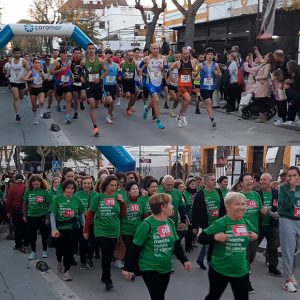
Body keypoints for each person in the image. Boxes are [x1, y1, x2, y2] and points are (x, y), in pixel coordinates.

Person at [122, 193, 192, 300]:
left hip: (166, 267)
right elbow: (134, 247)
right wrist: (127, 268)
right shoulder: (146, 224)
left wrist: (184, 260)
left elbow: (176, 244)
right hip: (149, 267)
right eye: (170, 204)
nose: (173, 206)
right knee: (158, 297)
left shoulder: (170, 222)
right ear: (162, 207)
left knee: (160, 295)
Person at [198, 192, 258, 300]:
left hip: (241, 270)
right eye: (237, 204)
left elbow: (253, 233)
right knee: (213, 296)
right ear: (228, 206)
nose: (241, 207)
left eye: (243, 204)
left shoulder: (246, 222)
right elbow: (201, 238)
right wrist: (214, 237)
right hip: (220, 270)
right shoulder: (221, 223)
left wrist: (255, 236)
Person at [84, 175, 127, 291]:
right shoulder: (98, 197)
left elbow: (122, 214)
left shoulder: (118, 197)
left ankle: (104, 276)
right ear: (105, 185)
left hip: (114, 230)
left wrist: (122, 203)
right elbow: (90, 214)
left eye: (115, 185)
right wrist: (86, 230)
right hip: (101, 230)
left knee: (109, 255)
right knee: (106, 254)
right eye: (111, 185)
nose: (113, 187)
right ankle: (108, 279)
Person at [238, 173, 268, 293]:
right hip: (240, 232)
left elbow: (260, 212)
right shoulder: (237, 196)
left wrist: (264, 211)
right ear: (241, 183)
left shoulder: (256, 194)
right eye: (247, 180)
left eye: (251, 179)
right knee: (244, 259)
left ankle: (236, 275)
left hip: (254, 232)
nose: (250, 181)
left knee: (250, 258)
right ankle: (246, 283)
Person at [50, 179, 85, 281]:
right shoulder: (57, 199)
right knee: (60, 250)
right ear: (64, 188)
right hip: (60, 230)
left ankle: (66, 271)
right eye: (68, 188)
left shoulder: (77, 199)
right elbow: (53, 214)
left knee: (69, 251)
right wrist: (54, 229)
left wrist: (84, 228)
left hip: (73, 229)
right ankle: (59, 260)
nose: (70, 190)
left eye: (72, 188)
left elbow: (81, 214)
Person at [192, 173, 226, 270]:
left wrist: (224, 220)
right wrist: (195, 226)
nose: (214, 182)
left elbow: (222, 207)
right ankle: (211, 264)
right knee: (209, 243)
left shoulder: (218, 191)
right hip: (206, 223)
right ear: (206, 182)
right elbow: (195, 211)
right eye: (212, 180)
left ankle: (200, 259)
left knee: (210, 243)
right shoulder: (200, 194)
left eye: (214, 180)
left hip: (218, 222)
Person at [278, 166, 300, 293]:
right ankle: (288, 281)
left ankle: (290, 273)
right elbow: (285, 205)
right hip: (287, 220)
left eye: (295, 175)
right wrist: (292, 189)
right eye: (289, 175)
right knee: (288, 250)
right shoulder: (284, 188)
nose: (292, 178)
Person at [80, 43, 108, 136]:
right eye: (89, 48)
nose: (91, 50)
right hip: (89, 85)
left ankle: (93, 101)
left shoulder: (100, 61)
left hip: (98, 85)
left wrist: (100, 78)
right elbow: (80, 71)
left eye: (93, 48)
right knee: (92, 104)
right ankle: (95, 126)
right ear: (87, 50)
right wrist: (81, 77)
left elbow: (106, 72)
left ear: (95, 50)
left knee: (95, 103)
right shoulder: (83, 62)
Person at [256, 173, 281, 276]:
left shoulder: (276, 193)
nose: (262, 181)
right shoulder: (257, 193)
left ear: (270, 181)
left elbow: (280, 206)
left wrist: (278, 214)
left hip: (272, 224)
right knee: (252, 246)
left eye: (264, 180)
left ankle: (273, 268)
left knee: (273, 248)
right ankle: (244, 265)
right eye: (261, 180)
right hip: (260, 224)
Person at [121, 181, 150, 267]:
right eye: (133, 189)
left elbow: (145, 216)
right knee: (130, 250)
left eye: (137, 188)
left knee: (136, 250)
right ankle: (129, 268)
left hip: (138, 231)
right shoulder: (124, 202)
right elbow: (120, 216)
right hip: (126, 231)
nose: (136, 190)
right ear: (128, 191)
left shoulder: (141, 202)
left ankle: (132, 266)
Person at [23, 174, 52, 260]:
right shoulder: (28, 191)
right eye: (34, 184)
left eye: (37, 184)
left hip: (42, 216)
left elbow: (50, 204)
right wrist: (24, 215)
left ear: (41, 183)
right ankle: (33, 252)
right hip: (31, 216)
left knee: (44, 235)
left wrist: (47, 217)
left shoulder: (45, 191)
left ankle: (44, 250)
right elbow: (25, 203)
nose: (35, 186)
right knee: (32, 235)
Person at [141, 43, 168, 129]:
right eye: (154, 49)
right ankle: (159, 121)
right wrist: (145, 65)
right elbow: (139, 67)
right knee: (156, 100)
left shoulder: (163, 58)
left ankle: (146, 109)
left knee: (154, 101)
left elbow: (167, 70)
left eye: (157, 48)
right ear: (151, 50)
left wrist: (163, 68)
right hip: (149, 81)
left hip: (159, 81)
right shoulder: (147, 58)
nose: (156, 50)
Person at [169, 47, 197, 127]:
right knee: (188, 99)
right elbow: (170, 68)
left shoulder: (192, 62)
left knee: (186, 102)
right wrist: (171, 77)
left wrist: (195, 75)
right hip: (181, 85)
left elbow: (194, 72)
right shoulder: (178, 63)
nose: (186, 55)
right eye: (185, 54)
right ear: (181, 54)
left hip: (189, 85)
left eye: (188, 53)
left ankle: (179, 117)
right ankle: (183, 115)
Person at [75, 176, 98, 270]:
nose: (87, 185)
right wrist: (81, 213)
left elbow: (99, 208)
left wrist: (93, 212)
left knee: (93, 243)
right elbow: (73, 207)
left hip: (93, 223)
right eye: (85, 183)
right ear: (81, 184)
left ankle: (90, 258)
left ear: (91, 184)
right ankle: (83, 261)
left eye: (89, 183)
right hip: (81, 223)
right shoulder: (77, 195)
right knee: (83, 243)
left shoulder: (96, 194)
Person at [198, 47, 221, 128]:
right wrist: (196, 77)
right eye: (208, 54)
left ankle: (210, 115)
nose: (210, 56)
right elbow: (194, 73)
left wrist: (217, 73)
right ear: (205, 55)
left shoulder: (215, 65)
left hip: (211, 87)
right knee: (208, 102)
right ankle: (212, 120)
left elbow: (220, 73)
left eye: (211, 54)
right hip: (203, 87)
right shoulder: (201, 65)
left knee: (209, 104)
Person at [5, 174, 27, 252]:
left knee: (17, 228)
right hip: (25, 211)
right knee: (24, 228)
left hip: (15, 211)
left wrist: (7, 211)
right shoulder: (26, 186)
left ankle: (18, 245)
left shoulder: (12, 187)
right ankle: (26, 244)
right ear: (23, 179)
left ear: (15, 179)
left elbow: (9, 200)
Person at [52, 48, 74, 124]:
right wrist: (60, 70)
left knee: (68, 99)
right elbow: (52, 72)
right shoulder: (57, 63)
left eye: (66, 54)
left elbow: (69, 69)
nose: (65, 55)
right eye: (64, 54)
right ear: (60, 54)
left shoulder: (68, 62)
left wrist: (72, 74)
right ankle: (58, 103)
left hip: (68, 83)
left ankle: (67, 116)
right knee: (59, 97)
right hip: (59, 83)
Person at [24, 58, 47, 125]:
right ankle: (35, 118)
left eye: (38, 63)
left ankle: (40, 110)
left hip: (40, 88)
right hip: (33, 89)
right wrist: (29, 79)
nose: (37, 64)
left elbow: (45, 78)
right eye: (36, 62)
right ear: (33, 63)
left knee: (41, 102)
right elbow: (26, 78)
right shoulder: (31, 71)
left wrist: (42, 72)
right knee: (34, 106)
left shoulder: (41, 70)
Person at [253, 49, 275, 123]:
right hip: (260, 85)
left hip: (263, 86)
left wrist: (257, 78)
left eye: (266, 55)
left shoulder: (268, 65)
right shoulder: (264, 63)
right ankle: (261, 117)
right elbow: (259, 57)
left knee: (262, 101)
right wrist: (256, 51)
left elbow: (265, 76)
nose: (265, 56)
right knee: (260, 101)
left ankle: (263, 118)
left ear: (269, 58)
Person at [10, 47, 30, 121]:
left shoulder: (23, 61)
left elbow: (29, 70)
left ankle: (25, 93)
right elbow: (11, 69)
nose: (17, 54)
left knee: (21, 97)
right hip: (13, 81)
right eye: (16, 53)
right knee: (16, 98)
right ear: (13, 53)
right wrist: (8, 74)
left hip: (21, 82)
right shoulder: (11, 60)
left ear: (20, 53)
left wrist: (26, 77)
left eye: (19, 53)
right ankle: (17, 114)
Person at [71, 48, 86, 119]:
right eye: (75, 53)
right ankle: (75, 112)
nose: (77, 54)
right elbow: (67, 69)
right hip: (74, 82)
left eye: (78, 53)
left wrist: (83, 76)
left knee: (83, 97)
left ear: (81, 54)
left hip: (82, 82)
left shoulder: (83, 61)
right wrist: (71, 75)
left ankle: (81, 101)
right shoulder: (71, 62)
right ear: (73, 54)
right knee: (75, 98)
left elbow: (87, 70)